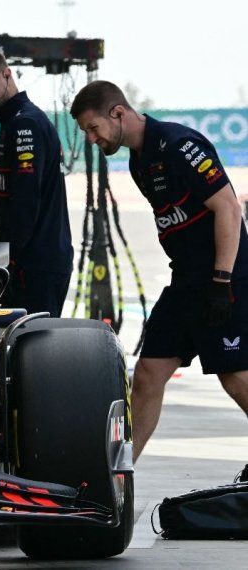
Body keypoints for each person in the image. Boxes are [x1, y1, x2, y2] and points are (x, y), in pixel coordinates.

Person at [71, 81, 248, 462]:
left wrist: (221, 280)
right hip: (185, 282)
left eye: (92, 128)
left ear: (117, 113)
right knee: (148, 374)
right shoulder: (139, 162)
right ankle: (118, 476)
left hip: (224, 278)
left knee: (235, 377)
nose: (90, 138)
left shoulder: (180, 145)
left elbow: (229, 209)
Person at [0, 49, 73, 317]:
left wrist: (4, 263)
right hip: (31, 262)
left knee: (33, 352)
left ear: (6, 74)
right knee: (19, 349)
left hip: (37, 264)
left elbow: (25, 202)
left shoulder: (25, 124)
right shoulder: (14, 122)